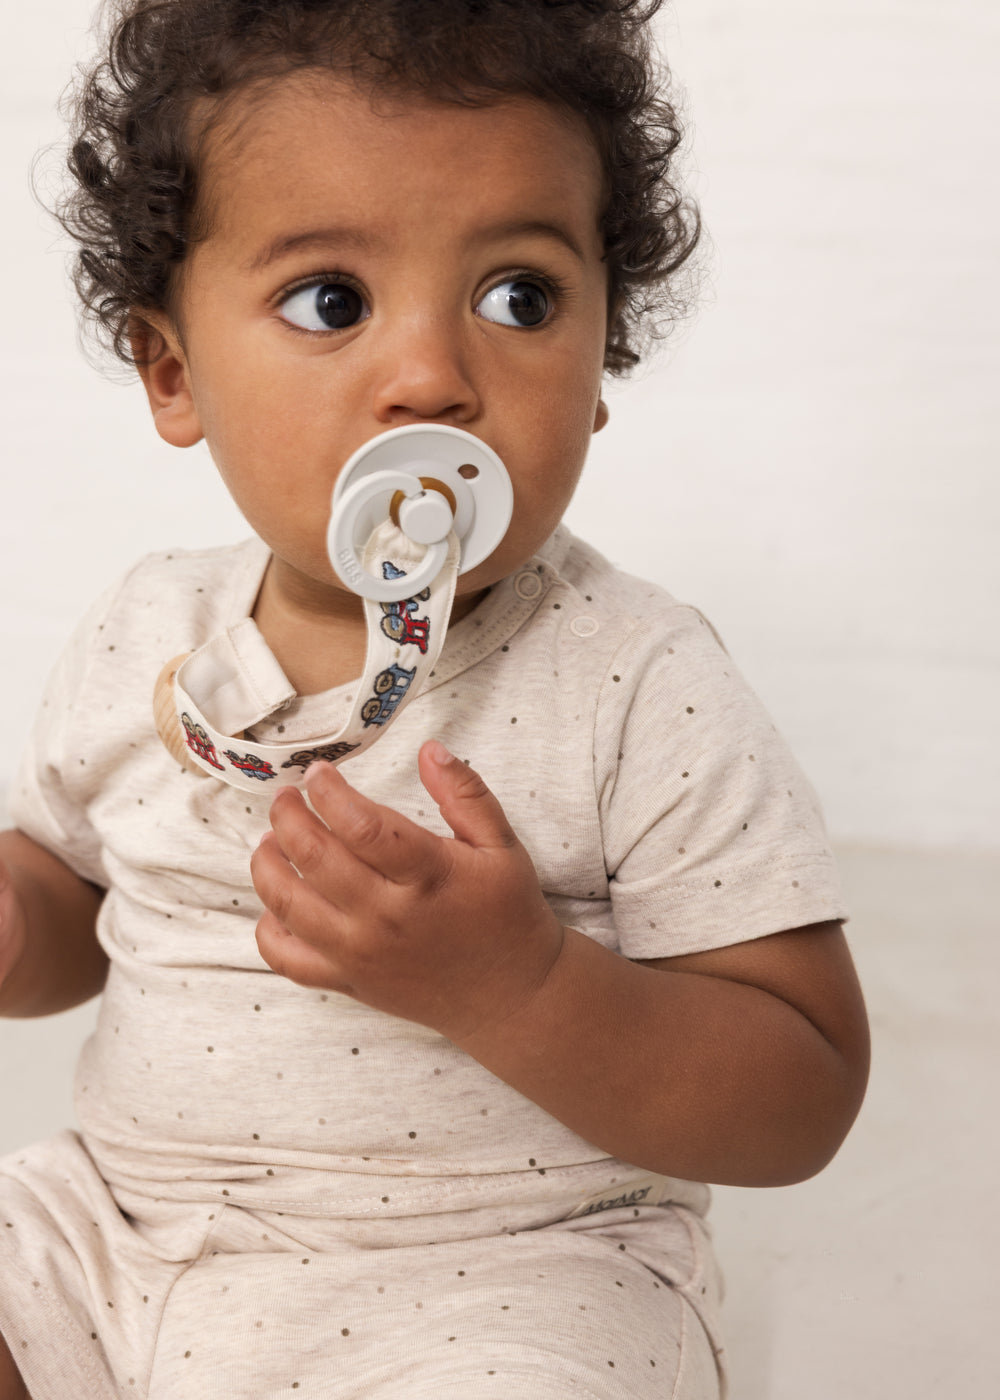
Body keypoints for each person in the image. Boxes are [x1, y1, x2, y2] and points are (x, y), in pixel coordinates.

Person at [0, 1, 870, 1396]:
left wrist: (516, 986)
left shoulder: (637, 679)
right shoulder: (147, 635)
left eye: (519, 296)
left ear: (600, 364)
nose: (432, 380)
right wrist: (14, 921)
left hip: (505, 1286)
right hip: (118, 1244)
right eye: (331, 300)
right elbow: (69, 913)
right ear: (174, 372)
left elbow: (802, 1089)